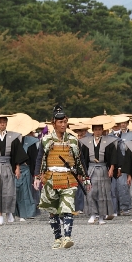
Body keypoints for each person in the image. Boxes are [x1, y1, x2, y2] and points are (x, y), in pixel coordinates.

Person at [34, 105, 88, 249]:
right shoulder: (46, 140)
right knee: (53, 210)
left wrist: (85, 176)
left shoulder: (73, 140)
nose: (63, 125)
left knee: (67, 207)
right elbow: (40, 158)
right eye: (60, 122)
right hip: (50, 177)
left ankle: (68, 236)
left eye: (65, 122)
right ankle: (58, 238)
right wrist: (37, 176)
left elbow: (80, 159)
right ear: (54, 123)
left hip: (68, 177)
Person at [79, 115, 118, 225]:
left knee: (103, 193)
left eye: (99, 129)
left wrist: (111, 168)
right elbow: (83, 158)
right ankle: (92, 214)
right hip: (91, 168)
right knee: (90, 192)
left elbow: (113, 157)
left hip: (102, 168)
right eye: (95, 129)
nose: (97, 132)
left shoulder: (109, 142)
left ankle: (101, 217)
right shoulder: (86, 142)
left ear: (102, 130)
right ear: (92, 130)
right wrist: (82, 172)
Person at [7, 115, 41, 221]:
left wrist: (35, 174)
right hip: (12, 170)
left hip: (26, 170)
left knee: (25, 193)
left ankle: (25, 213)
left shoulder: (30, 141)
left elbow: (34, 158)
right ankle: (12, 213)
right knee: (12, 192)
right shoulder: (10, 142)